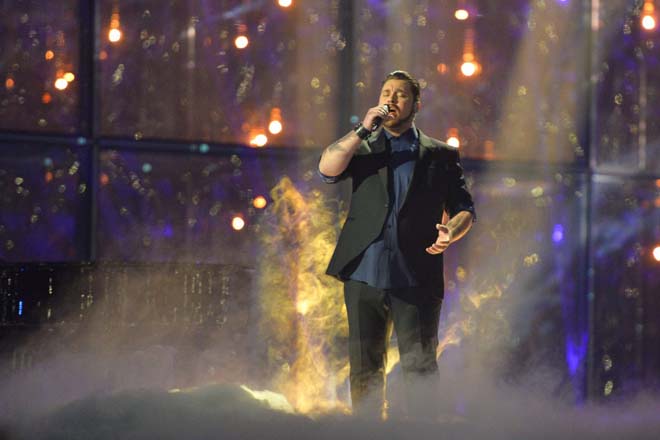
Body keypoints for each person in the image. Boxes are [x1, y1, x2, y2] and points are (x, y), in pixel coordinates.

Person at [318, 70, 475, 419]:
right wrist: (362, 129)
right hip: (364, 271)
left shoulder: (440, 154)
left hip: (416, 275)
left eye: (400, 94)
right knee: (364, 368)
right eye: (386, 92)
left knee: (419, 367)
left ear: (416, 104)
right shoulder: (363, 147)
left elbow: (465, 209)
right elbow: (327, 170)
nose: (391, 99)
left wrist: (450, 232)